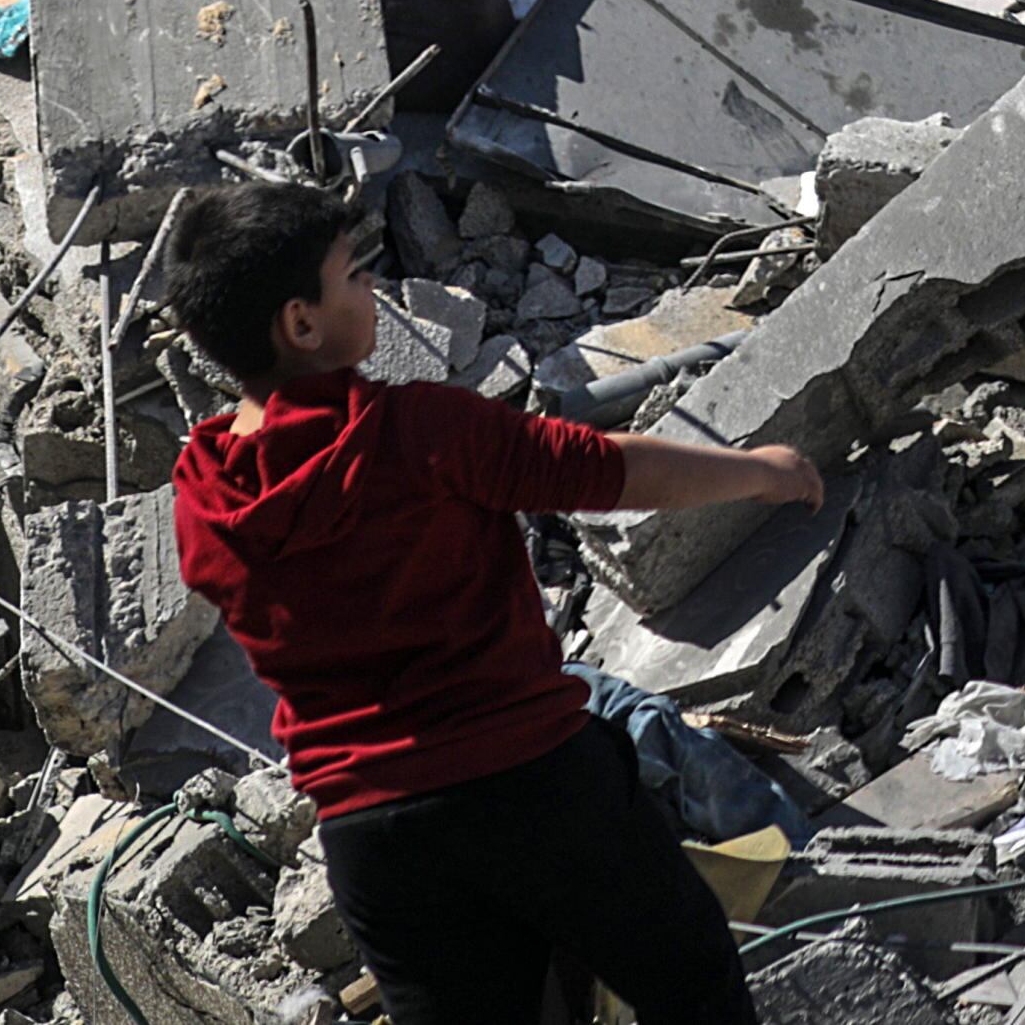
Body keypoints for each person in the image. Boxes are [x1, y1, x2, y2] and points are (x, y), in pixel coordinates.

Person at [153, 179, 825, 1025]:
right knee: (694, 990)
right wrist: (760, 471)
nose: (374, 288)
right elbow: (604, 470)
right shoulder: (420, 431)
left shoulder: (203, 499)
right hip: (531, 781)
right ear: (301, 322)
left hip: (376, 839)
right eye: (353, 275)